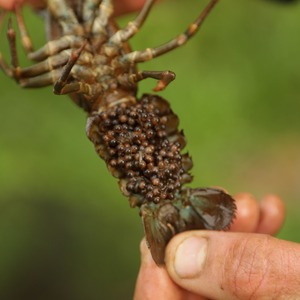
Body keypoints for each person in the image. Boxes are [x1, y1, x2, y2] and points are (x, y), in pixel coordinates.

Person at [0, 1, 297, 299]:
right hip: (119, 98)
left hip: (115, 105)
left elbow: (23, 70)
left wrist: (19, 31)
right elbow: (23, 73)